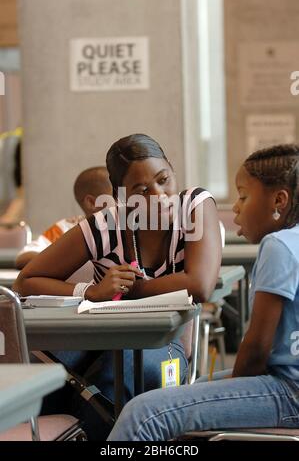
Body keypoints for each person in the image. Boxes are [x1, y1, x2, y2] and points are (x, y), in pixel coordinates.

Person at [14, 133, 222, 439]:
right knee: (44, 374)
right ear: (122, 195)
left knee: (120, 373)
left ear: (173, 171)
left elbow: (200, 285)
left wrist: (130, 291)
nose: (159, 195)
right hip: (97, 341)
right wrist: (91, 292)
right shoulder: (104, 225)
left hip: (163, 342)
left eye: (164, 179)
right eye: (141, 189)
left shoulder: (194, 205)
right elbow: (27, 280)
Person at [107, 143, 299, 441]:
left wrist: (224, 395)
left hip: (289, 391)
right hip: (285, 381)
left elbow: (257, 349)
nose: (235, 207)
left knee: (143, 414)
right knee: (177, 394)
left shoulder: (279, 245)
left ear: (279, 200)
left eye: (244, 196)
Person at [15, 166, 113, 277]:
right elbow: (23, 258)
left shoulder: (126, 230)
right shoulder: (65, 228)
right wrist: (65, 260)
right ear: (91, 202)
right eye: (117, 197)